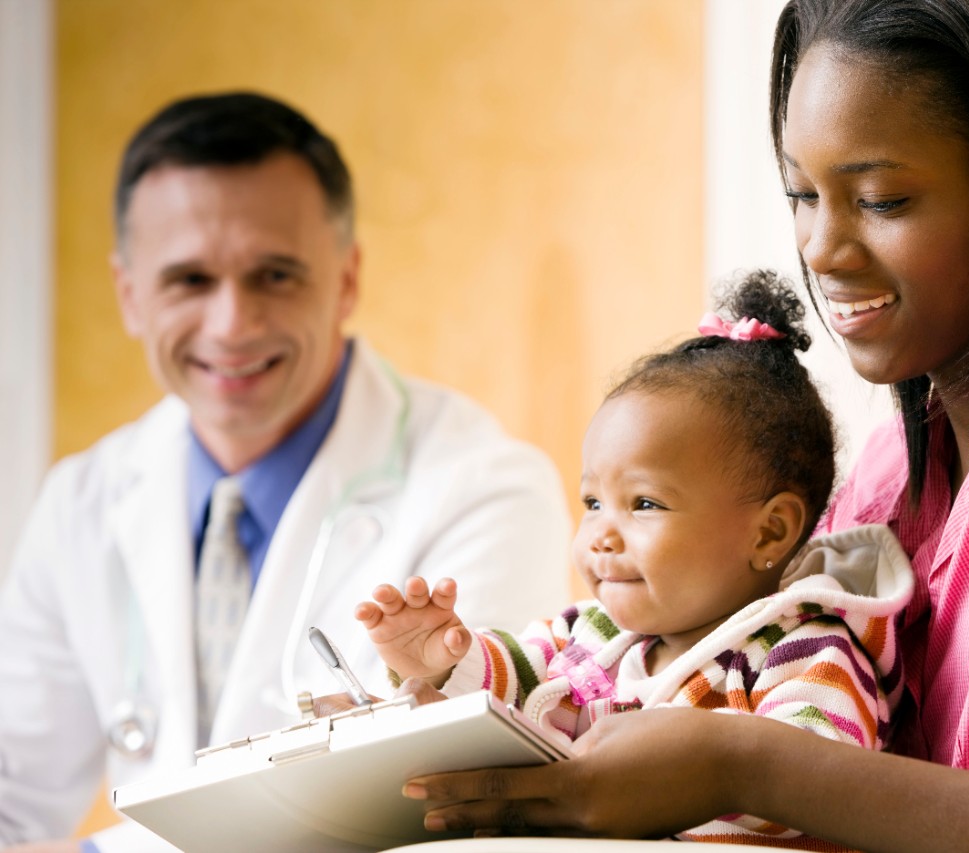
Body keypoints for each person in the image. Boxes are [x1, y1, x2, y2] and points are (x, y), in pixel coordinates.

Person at [395, 1, 969, 850]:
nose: (819, 248)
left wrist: (749, 767)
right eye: (801, 194)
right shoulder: (895, 469)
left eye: (883, 199)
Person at [0, 91, 571, 853]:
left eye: (274, 275)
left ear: (346, 279)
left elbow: (419, 813)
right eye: (189, 280)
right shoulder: (81, 501)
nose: (232, 324)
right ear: (130, 295)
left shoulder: (489, 492)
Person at [357, 270, 914, 848]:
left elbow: (814, 784)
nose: (600, 533)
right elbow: (513, 679)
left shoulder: (804, 651)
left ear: (770, 533)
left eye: (643, 504)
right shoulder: (591, 634)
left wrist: (699, 768)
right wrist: (444, 661)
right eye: (593, 502)